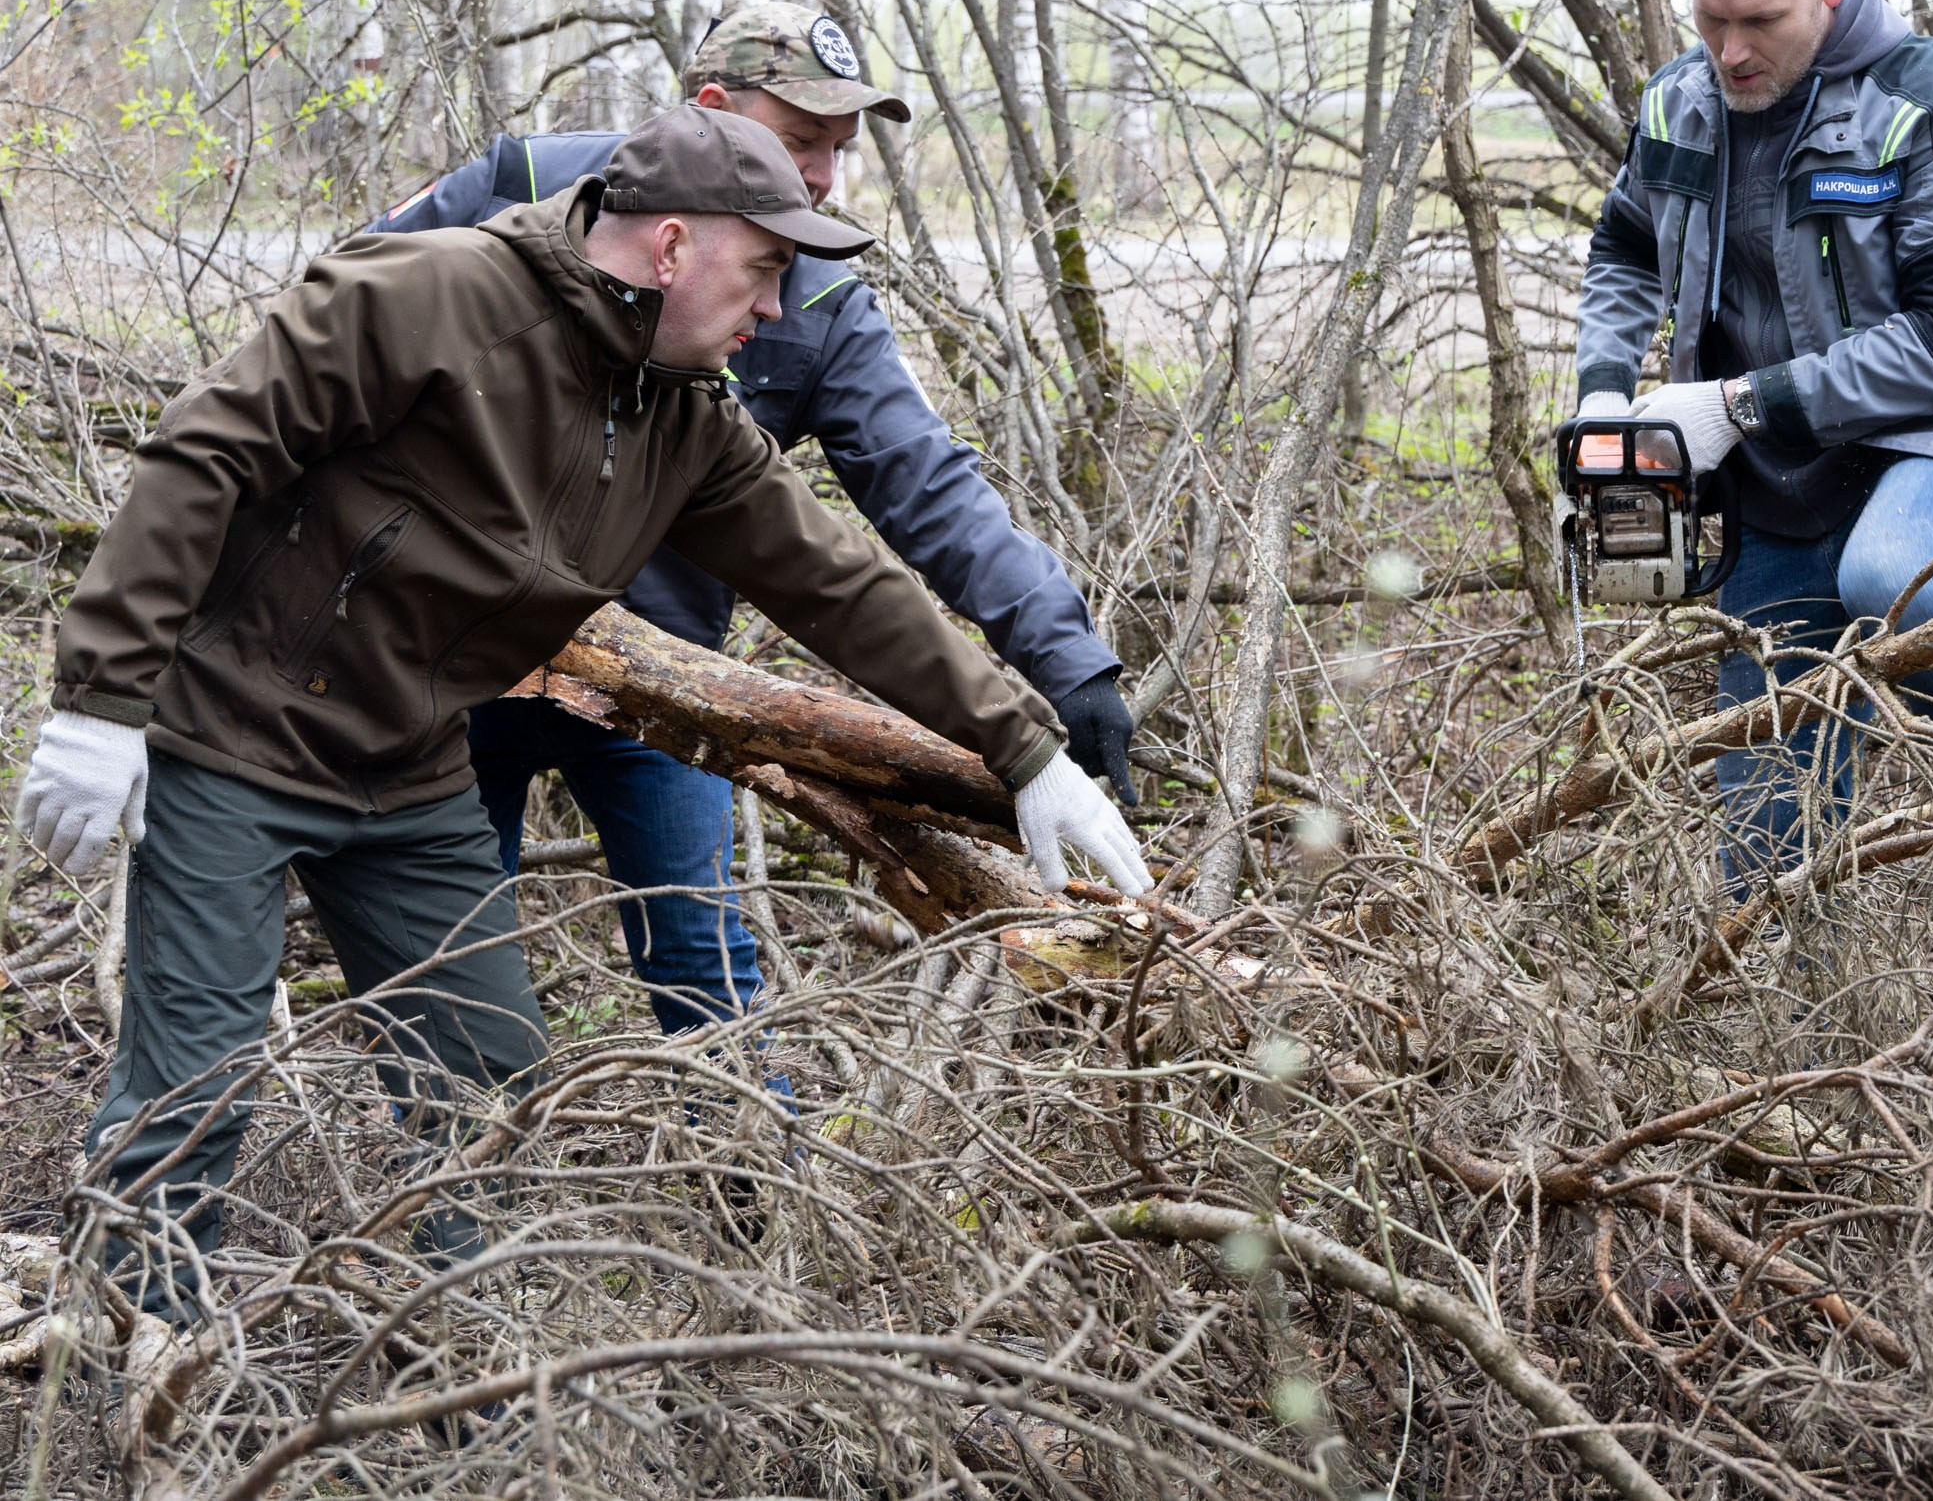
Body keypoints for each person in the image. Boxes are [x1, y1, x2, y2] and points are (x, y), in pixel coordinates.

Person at [13, 106, 1150, 1312]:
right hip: (232, 737)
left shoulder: (685, 419)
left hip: (410, 772)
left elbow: (841, 583)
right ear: (671, 248)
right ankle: (146, 1371)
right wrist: (100, 700)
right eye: (765, 267)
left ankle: (460, 1380)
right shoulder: (432, 296)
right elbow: (207, 451)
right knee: (195, 1090)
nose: (773, 310)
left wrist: (1025, 747)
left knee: (493, 1091)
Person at [369, 4, 1136, 1037]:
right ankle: (455, 1182)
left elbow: (924, 482)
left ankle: (751, 1189)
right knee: (446, 960)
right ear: (713, 112)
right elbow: (337, 348)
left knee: (701, 955)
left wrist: (1062, 658)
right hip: (448, 670)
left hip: (663, 682)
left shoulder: (811, 297)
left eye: (840, 150)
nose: (822, 176)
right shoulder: (527, 186)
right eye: (801, 139)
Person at [1573, 0, 1933, 975]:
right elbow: (1623, 246)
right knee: (1765, 837)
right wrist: (1603, 390)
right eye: (1709, 21)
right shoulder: (1678, 103)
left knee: (1890, 577)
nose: (1731, 52)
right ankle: (1797, 1068)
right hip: (1775, 483)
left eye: (1758, 21)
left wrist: (1742, 402)